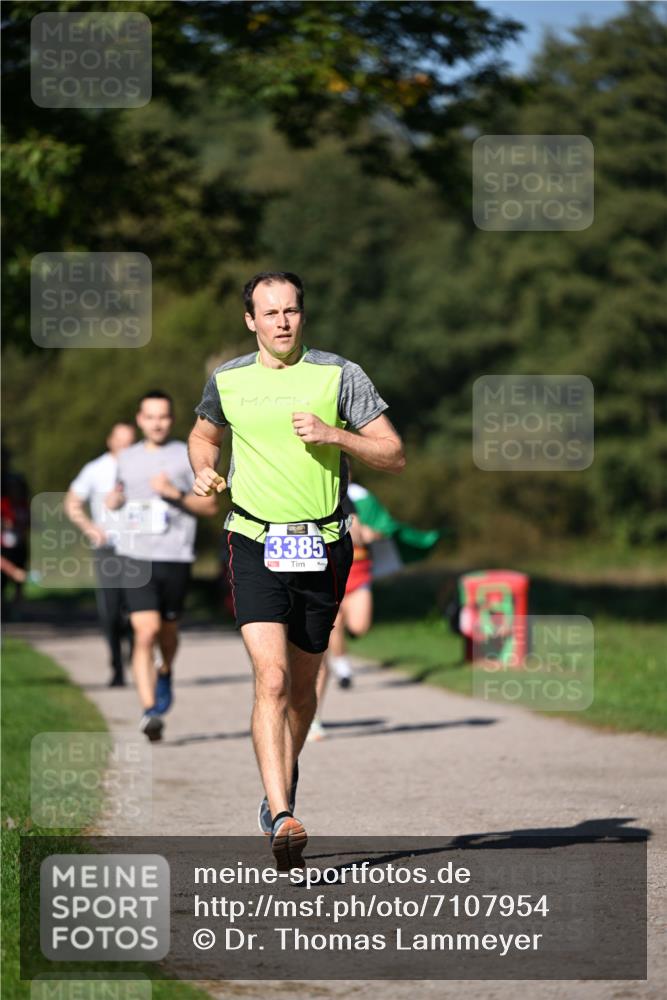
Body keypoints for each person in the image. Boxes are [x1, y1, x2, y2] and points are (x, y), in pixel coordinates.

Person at [189, 270, 405, 870]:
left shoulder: (340, 375)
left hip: (323, 544)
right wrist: (203, 469)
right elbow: (203, 436)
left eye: (291, 311)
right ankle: (282, 815)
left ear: (302, 316)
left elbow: (393, 453)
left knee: (304, 691)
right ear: (250, 321)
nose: (282, 322)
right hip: (253, 540)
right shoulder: (228, 380)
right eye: (270, 312)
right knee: (273, 679)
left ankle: (280, 780)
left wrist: (336, 434)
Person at [106, 391, 218, 741]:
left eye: (163, 416)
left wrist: (173, 493)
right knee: (145, 632)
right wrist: (115, 500)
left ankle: (165, 670)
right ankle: (150, 709)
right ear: (140, 420)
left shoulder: (187, 455)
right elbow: (118, 494)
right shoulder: (126, 458)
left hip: (175, 556)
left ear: (172, 419)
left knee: (167, 633)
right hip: (134, 556)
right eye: (151, 417)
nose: (157, 423)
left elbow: (210, 507)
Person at [65, 422, 136, 686]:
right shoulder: (95, 469)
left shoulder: (143, 467)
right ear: (110, 441)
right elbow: (71, 503)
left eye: (130, 441)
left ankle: (137, 660)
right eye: (121, 441)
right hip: (107, 549)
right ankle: (117, 666)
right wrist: (90, 528)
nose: (126, 447)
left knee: (139, 610)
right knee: (111, 612)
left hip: (138, 548)